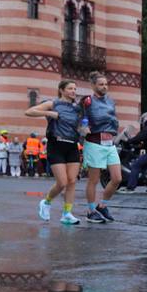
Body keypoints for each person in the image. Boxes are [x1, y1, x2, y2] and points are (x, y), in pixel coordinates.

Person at [25, 80, 85, 226]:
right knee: (62, 182)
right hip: (56, 145)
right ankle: (46, 202)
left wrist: (84, 129)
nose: (73, 91)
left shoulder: (77, 108)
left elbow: (82, 124)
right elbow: (29, 111)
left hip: (72, 145)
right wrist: (49, 113)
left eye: (75, 89)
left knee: (72, 181)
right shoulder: (53, 103)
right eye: (70, 88)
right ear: (61, 90)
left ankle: (67, 213)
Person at [80, 71, 124, 223]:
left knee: (117, 178)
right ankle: (91, 210)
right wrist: (84, 127)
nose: (104, 87)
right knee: (94, 180)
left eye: (106, 84)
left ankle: (102, 205)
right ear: (93, 86)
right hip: (94, 142)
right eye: (101, 84)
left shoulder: (111, 101)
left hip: (110, 143)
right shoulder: (87, 101)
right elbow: (82, 117)